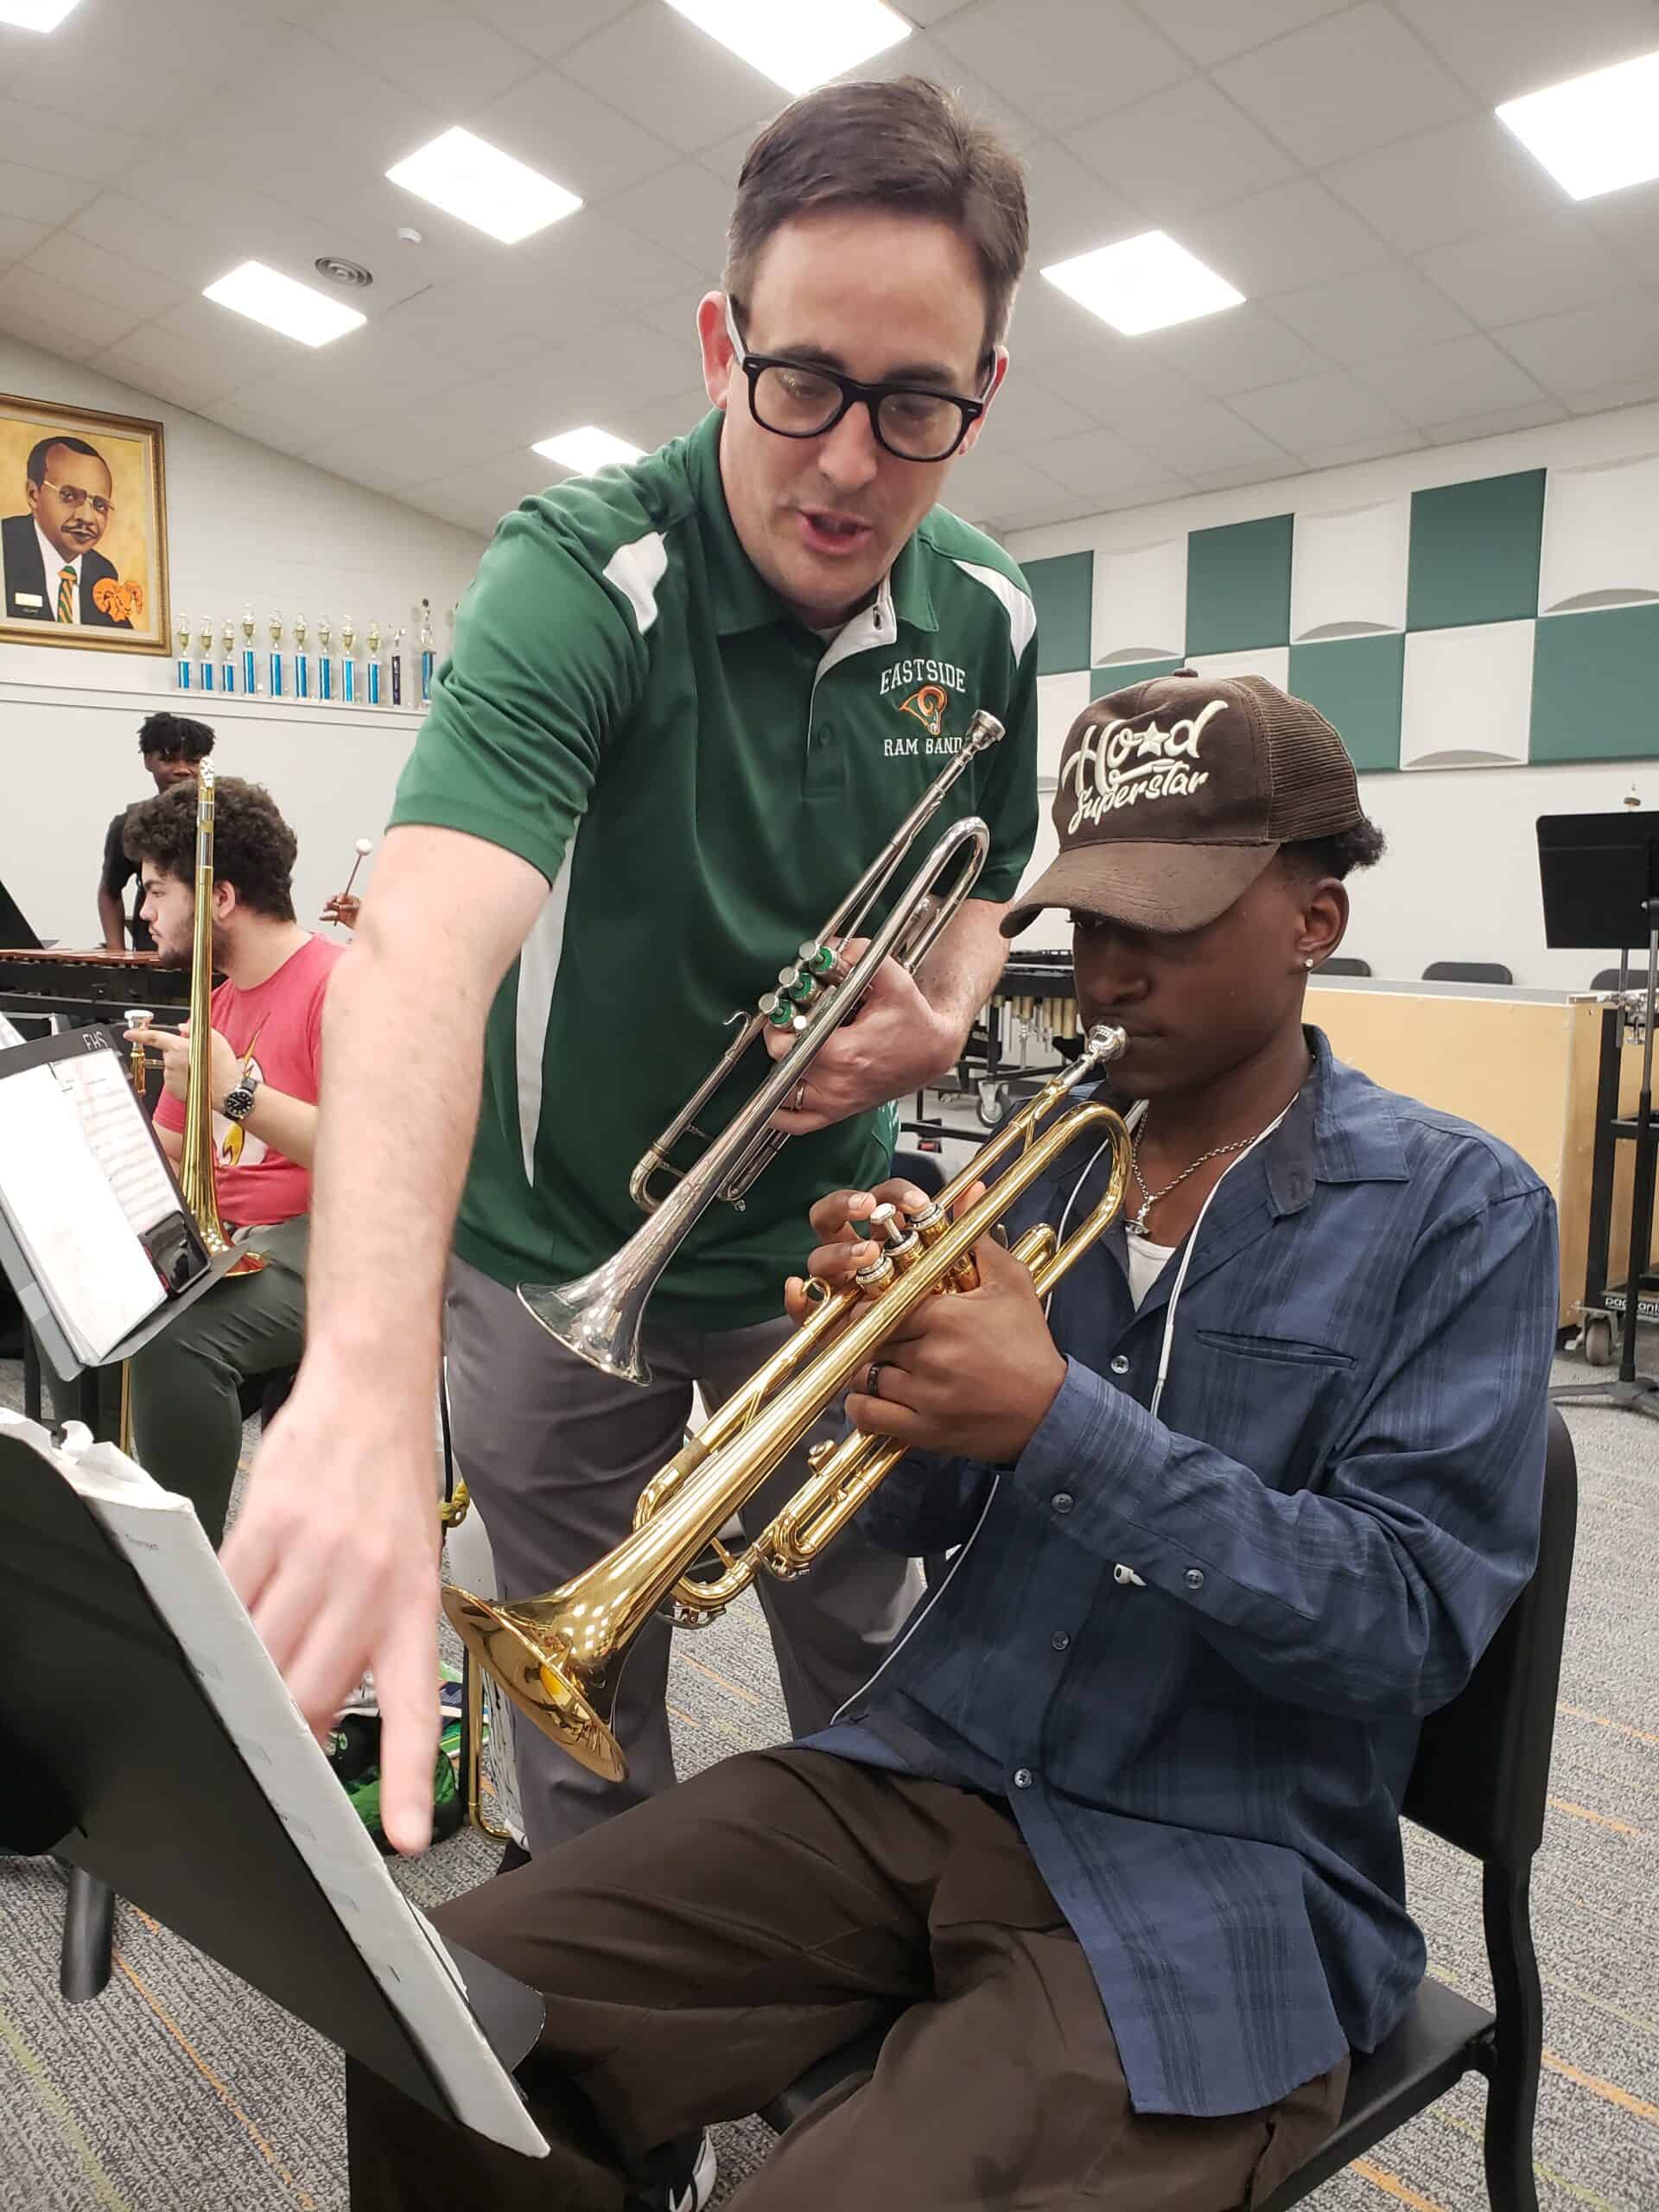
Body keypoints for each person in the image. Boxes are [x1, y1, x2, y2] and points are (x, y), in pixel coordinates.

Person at [341, 671, 1559, 2212]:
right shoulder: (1039, 1175)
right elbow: (910, 1521)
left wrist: (1057, 1419)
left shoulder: (1461, 1212)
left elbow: (1405, 1628)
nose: (1108, 976)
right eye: (1092, 924)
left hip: (1220, 1876)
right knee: (433, 2003)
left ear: (1314, 917)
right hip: (930, 1767)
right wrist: (877, 1377)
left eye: (1166, 924)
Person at [226, 74, 1042, 1858]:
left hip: (825, 1247)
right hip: (550, 1272)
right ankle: (621, 2075)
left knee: (873, 1645)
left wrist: (947, 1014)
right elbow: (422, 950)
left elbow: (995, 868)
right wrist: (364, 1372)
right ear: (717, 342)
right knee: (581, 1704)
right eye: (803, 377)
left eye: (912, 405)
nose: (844, 458)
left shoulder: (987, 617)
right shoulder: (581, 575)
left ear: (985, 399)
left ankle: (879, 1963)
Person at [118, 776, 343, 1547]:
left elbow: (368, 1157)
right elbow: (176, 1151)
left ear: (218, 898)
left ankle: (185, 1584)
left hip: (336, 1240)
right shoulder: (212, 1006)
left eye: (155, 891)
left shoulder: (339, 985)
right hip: (244, 1244)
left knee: (177, 1336)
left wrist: (236, 1094)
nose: (142, 913)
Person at [98, 712, 215, 953]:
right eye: (169, 760)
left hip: (218, 952)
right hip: (153, 952)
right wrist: (117, 954)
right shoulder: (129, 823)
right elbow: (110, 892)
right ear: (148, 760)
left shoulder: (229, 818)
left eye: (193, 761)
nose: (182, 770)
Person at [2, 435, 132, 626]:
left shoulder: (102, 572)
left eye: (99, 505)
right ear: (33, 495)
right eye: (69, 496)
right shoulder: (5, 544)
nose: (86, 518)